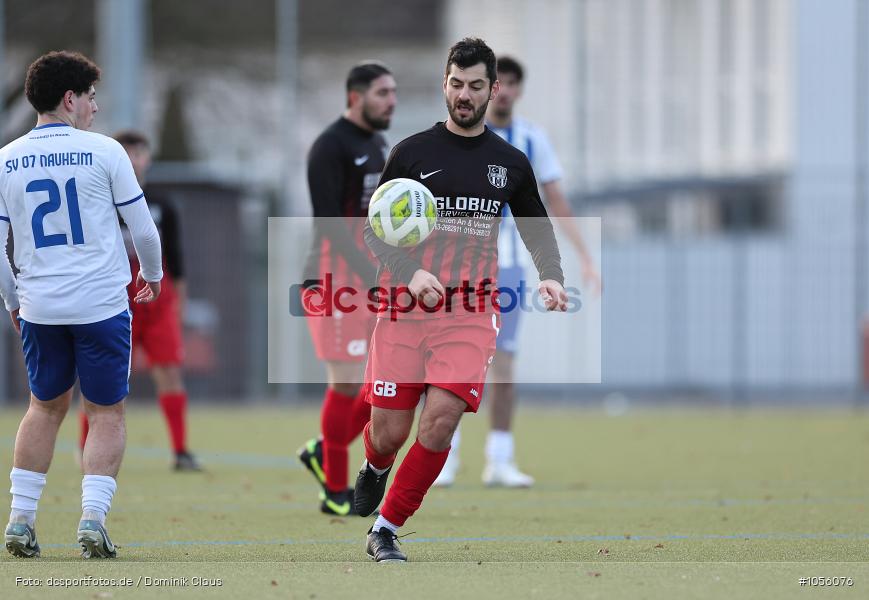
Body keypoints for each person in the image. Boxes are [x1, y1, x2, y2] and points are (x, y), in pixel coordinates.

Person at [353, 38, 568, 562]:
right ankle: (376, 466)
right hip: (404, 308)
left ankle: (386, 527)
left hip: (471, 312)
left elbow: (536, 225)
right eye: (456, 84)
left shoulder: (510, 162)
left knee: (442, 418)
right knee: (390, 431)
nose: (464, 95)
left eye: (475, 86)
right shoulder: (410, 153)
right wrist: (412, 272)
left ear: (493, 90)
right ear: (444, 84)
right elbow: (374, 233)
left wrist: (552, 276)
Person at [0, 51, 162, 559]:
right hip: (100, 305)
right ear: (70, 98)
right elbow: (143, 230)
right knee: (106, 413)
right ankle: (92, 519)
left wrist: (13, 299)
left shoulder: (5, 158)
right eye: (91, 97)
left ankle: (20, 522)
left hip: (40, 307)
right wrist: (152, 277)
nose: (94, 106)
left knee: (43, 408)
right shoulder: (105, 151)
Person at [434, 56, 601, 488]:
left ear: (515, 91)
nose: (502, 90)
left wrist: (581, 255)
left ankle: (500, 458)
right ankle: (444, 456)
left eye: (509, 84)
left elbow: (552, 202)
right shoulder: (450, 140)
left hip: (505, 268)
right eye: (498, 82)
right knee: (447, 364)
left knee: (502, 365)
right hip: (453, 268)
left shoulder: (530, 139)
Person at [296, 62, 396, 516]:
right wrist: (367, 274)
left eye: (392, 92)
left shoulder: (378, 144)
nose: (391, 100)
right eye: (382, 93)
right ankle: (335, 491)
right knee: (346, 382)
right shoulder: (329, 146)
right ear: (355, 96)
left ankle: (323, 451)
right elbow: (329, 222)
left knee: (383, 380)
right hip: (334, 276)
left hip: (370, 273)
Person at [77, 130, 200, 472]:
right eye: (126, 152)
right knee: (100, 377)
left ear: (148, 158)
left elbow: (175, 258)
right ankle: (84, 446)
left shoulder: (161, 202)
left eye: (139, 152)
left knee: (170, 373)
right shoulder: (100, 200)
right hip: (115, 298)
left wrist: (181, 302)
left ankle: (181, 451)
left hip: (159, 301)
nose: (133, 158)